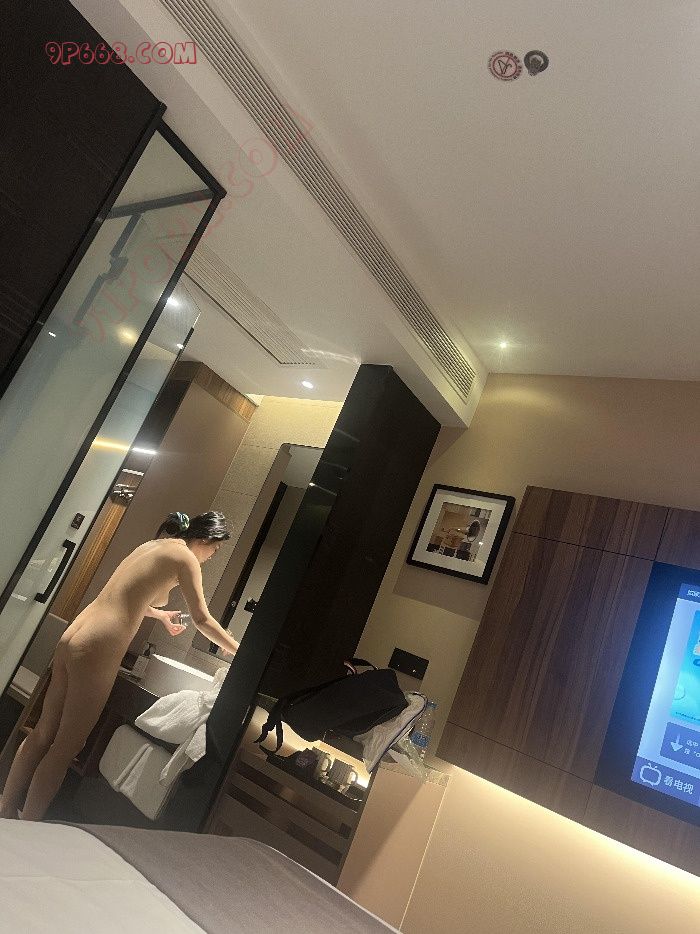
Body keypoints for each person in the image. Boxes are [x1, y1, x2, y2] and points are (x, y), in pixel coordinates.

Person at [0, 511, 240, 822]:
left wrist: (160, 615)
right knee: (67, 746)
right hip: (98, 646)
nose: (211, 556)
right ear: (206, 539)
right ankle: (29, 826)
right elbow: (202, 619)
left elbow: (126, 595)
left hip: (77, 632)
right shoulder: (186, 557)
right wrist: (237, 650)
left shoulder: (153, 546)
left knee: (43, 733)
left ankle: (5, 806)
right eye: (215, 549)